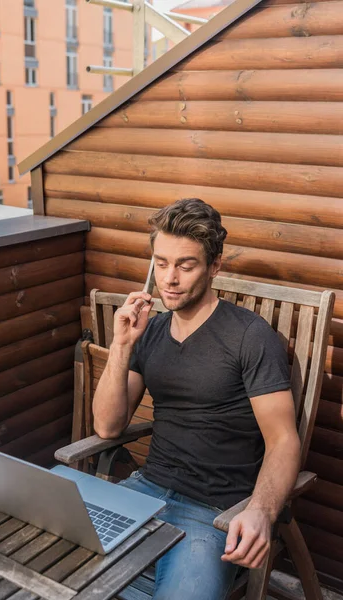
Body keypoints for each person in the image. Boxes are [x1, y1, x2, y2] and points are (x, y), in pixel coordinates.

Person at [92, 198, 300, 600]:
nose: (170, 278)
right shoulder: (149, 332)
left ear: (214, 266)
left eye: (186, 266)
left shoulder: (249, 336)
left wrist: (260, 510)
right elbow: (106, 426)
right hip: (144, 492)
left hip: (213, 513)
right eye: (162, 263)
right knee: (54, 564)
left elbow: (283, 440)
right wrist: (121, 346)